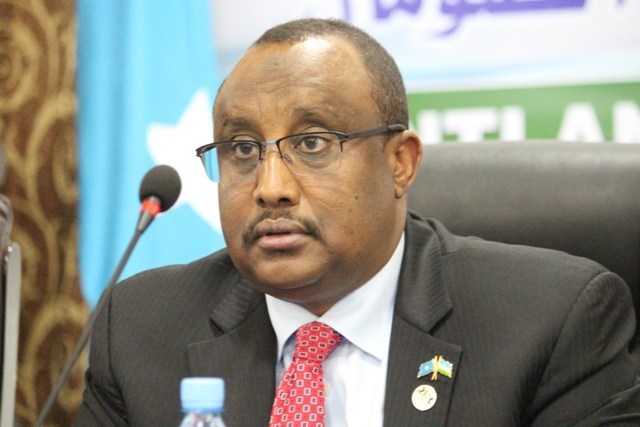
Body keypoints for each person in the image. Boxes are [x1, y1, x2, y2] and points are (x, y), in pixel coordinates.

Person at [76, 18, 640, 426]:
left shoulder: (551, 321)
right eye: (243, 149)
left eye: (313, 143)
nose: (270, 187)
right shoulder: (140, 329)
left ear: (401, 162)